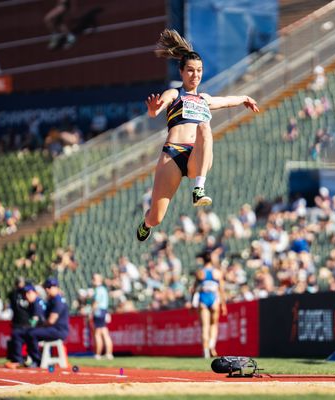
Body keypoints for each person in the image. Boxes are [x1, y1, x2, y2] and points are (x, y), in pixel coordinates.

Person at [136, 29, 259, 242]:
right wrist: (153, 110)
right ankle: (146, 224)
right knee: (156, 218)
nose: (196, 75)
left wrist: (244, 98)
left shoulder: (204, 99)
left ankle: (199, 189)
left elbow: (227, 100)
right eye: (191, 71)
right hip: (173, 155)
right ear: (182, 72)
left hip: (197, 157)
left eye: (199, 70)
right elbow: (158, 107)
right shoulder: (175, 94)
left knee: (205, 126)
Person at [23, 278, 69, 368]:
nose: (47, 289)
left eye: (49, 287)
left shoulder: (57, 300)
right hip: (53, 329)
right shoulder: (51, 300)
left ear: (56, 287)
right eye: (46, 287)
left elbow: (51, 321)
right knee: (30, 332)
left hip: (58, 330)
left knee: (32, 333)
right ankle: (38, 358)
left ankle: (37, 360)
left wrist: (40, 325)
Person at [191, 252, 227, 358]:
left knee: (204, 326)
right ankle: (212, 346)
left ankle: (205, 350)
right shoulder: (217, 273)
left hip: (203, 298)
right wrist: (223, 305)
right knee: (214, 325)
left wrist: (193, 304)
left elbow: (194, 290)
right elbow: (221, 290)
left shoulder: (200, 273)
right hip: (214, 299)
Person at [5, 283, 47, 368]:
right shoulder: (34, 302)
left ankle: (35, 359)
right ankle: (20, 359)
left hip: (42, 329)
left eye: (29, 293)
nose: (26, 295)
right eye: (25, 293)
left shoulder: (37, 303)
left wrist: (27, 327)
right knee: (17, 333)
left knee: (23, 333)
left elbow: (35, 320)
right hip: (40, 328)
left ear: (35, 293)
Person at [91, 273, 113, 360]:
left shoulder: (99, 289)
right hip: (103, 311)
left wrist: (91, 312)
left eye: (94, 279)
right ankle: (108, 353)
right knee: (104, 332)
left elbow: (96, 303)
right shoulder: (103, 289)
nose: (93, 280)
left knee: (98, 333)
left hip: (99, 311)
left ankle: (98, 354)